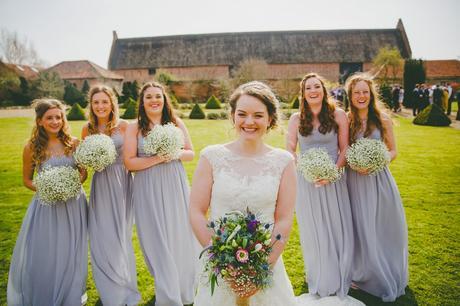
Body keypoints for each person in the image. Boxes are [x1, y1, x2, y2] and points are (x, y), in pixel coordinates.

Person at [124, 81, 199, 306]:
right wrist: (157, 157)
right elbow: (129, 162)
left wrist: (172, 153)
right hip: (147, 187)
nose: (154, 100)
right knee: (155, 238)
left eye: (158, 96)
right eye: (149, 97)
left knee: (178, 233)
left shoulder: (175, 122)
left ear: (164, 99)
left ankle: (184, 288)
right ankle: (166, 288)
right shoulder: (134, 127)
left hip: (174, 184)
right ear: (142, 102)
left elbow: (191, 153)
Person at [7, 99, 88, 306]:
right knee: (47, 252)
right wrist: (48, 188)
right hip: (47, 206)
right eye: (49, 118)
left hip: (74, 204)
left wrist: (70, 186)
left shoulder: (74, 143)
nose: (55, 121)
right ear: (40, 121)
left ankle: (70, 296)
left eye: (58, 117)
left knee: (73, 250)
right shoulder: (32, 147)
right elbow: (26, 180)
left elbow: (83, 173)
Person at [286, 73, 355, 300]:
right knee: (312, 227)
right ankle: (316, 271)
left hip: (334, 179)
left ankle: (338, 273)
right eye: (308, 88)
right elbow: (290, 150)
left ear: (324, 90)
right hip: (306, 182)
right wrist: (305, 169)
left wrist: (332, 173)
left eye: (317, 87)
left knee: (336, 226)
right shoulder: (296, 119)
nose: (313, 91)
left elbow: (344, 148)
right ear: (303, 93)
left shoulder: (338, 115)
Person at [345, 73, 408, 302]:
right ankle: (361, 273)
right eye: (356, 92)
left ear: (371, 94)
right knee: (359, 227)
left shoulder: (382, 118)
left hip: (379, 179)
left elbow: (393, 150)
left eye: (365, 92)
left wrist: (376, 161)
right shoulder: (346, 119)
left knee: (380, 226)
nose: (361, 96)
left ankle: (384, 271)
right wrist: (354, 163)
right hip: (354, 181)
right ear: (350, 96)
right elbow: (342, 149)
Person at [82, 85, 140, 305]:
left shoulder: (124, 126)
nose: (100, 106)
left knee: (121, 236)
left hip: (121, 182)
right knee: (101, 237)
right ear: (91, 105)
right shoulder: (87, 129)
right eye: (96, 102)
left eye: (104, 101)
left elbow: (131, 156)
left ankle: (126, 287)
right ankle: (109, 290)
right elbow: (84, 167)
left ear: (112, 103)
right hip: (101, 184)